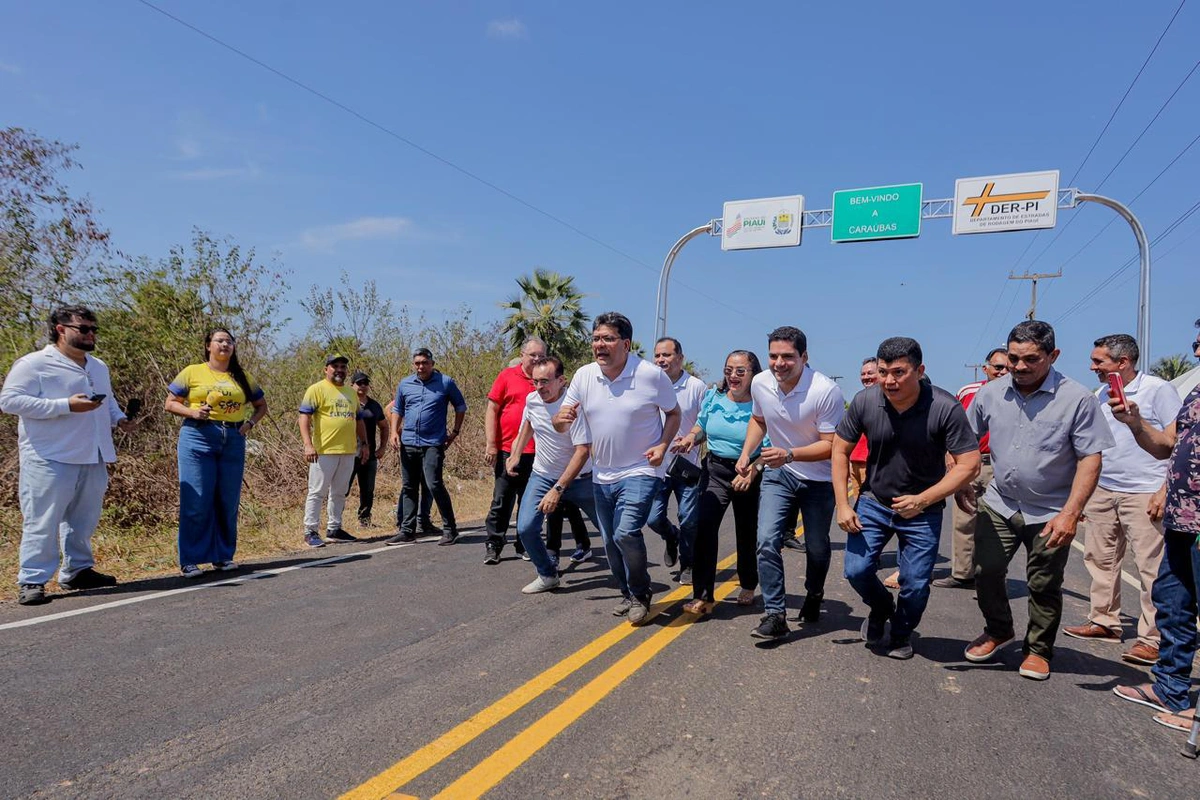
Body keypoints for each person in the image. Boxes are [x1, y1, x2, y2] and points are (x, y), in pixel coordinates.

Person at [962, 321, 1115, 681]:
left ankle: (1038, 649)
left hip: (1052, 511)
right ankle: (998, 630)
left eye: (1031, 359)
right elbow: (966, 439)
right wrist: (961, 480)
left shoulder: (1077, 398)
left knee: (1043, 583)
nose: (1019, 367)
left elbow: (1091, 458)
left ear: (1053, 356)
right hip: (1000, 502)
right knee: (985, 572)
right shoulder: (990, 393)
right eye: (1013, 358)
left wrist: (1071, 514)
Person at [833, 337, 980, 659]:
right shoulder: (865, 401)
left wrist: (924, 499)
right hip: (874, 501)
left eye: (899, 372)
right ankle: (882, 607)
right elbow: (840, 449)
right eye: (883, 372)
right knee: (856, 570)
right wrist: (844, 504)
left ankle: (901, 633)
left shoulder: (944, 407)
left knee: (914, 583)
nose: (889, 380)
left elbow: (969, 463)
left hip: (923, 510)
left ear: (920, 370)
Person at [2, 306, 135, 605]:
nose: (91, 334)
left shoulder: (98, 366)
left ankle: (77, 570)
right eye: (83, 329)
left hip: (93, 452)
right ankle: (32, 579)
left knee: (84, 519)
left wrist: (121, 419)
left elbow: (108, 401)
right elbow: (9, 401)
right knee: (42, 520)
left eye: (93, 329)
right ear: (61, 329)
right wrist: (65, 405)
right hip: (51, 454)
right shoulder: (34, 363)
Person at [553, 312, 680, 625]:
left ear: (626, 344)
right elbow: (559, 421)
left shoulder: (650, 375)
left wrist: (663, 446)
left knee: (626, 532)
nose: (600, 345)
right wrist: (560, 421)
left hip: (641, 469)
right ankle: (626, 592)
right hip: (603, 474)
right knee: (610, 540)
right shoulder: (584, 376)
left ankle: (640, 593)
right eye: (596, 338)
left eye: (607, 339)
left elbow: (674, 414)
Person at [1062, 335, 1179, 666]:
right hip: (1104, 488)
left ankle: (1152, 638)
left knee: (1151, 567)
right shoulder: (1100, 394)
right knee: (1100, 559)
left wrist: (1164, 489)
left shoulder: (1158, 390)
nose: (1092, 367)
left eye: (1099, 361)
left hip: (1145, 489)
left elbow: (1175, 442)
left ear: (1123, 362)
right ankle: (1104, 621)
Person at [1109, 359, 1200, 733]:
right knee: (1172, 604)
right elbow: (1166, 446)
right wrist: (1135, 423)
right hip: (1183, 519)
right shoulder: (1195, 393)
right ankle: (1170, 688)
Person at [737, 326, 845, 640]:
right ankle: (776, 615)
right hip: (779, 474)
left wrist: (789, 453)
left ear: (804, 357)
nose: (779, 363)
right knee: (767, 540)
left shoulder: (824, 391)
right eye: (773, 356)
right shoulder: (760, 383)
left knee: (817, 548)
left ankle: (814, 594)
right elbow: (759, 420)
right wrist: (747, 454)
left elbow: (831, 445)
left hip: (819, 479)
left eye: (787, 356)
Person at [164, 328, 268, 577]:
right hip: (199, 436)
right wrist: (192, 412)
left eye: (229, 341)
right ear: (208, 345)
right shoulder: (193, 372)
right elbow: (170, 403)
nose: (225, 345)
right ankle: (190, 559)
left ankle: (222, 555)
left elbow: (261, 405)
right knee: (197, 499)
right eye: (219, 341)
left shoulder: (242, 376)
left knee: (227, 499)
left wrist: (249, 424)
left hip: (232, 438)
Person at [673, 350, 765, 614]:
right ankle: (703, 596)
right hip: (715, 470)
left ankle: (748, 583)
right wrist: (691, 438)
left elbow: (768, 443)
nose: (733, 376)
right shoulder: (714, 397)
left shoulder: (761, 405)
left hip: (748, 472)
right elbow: (701, 426)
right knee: (704, 527)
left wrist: (753, 470)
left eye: (740, 371)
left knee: (746, 531)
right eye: (728, 370)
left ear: (753, 374)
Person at [509, 356, 598, 594]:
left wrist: (558, 489)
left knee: (613, 533)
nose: (540, 387)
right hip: (542, 475)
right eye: (535, 381)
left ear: (562, 381)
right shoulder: (533, 399)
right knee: (526, 528)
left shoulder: (573, 407)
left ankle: (632, 583)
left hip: (581, 479)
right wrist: (516, 454)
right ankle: (548, 574)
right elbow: (528, 423)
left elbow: (582, 452)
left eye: (545, 381)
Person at [932, 347, 1009, 590]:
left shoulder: (1018, 394)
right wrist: (949, 454)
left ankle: (989, 580)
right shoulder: (969, 392)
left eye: (1008, 367)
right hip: (970, 463)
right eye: (998, 367)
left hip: (1000, 465)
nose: (1003, 371)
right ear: (986, 368)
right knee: (964, 519)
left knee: (996, 524)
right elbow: (953, 426)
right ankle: (962, 573)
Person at [386, 348, 467, 546]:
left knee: (434, 484)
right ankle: (407, 530)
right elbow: (398, 409)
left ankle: (450, 529)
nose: (421, 367)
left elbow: (460, 407)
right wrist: (394, 432)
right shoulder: (405, 384)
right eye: (417, 363)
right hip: (409, 442)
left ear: (431, 363)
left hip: (433, 443)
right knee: (409, 486)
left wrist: (454, 433)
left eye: (424, 363)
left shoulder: (445, 382)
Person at [647, 336, 708, 584]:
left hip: (687, 467)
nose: (662, 360)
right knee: (652, 518)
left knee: (690, 519)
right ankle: (671, 536)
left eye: (667, 355)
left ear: (680, 358)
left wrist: (693, 439)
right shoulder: (649, 385)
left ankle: (688, 564)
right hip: (656, 466)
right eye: (658, 355)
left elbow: (706, 425)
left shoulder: (696, 387)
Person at [483, 338, 546, 564]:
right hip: (508, 450)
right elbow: (492, 409)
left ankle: (525, 544)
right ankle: (494, 544)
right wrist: (491, 444)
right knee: (502, 500)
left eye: (541, 355)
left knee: (528, 501)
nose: (537, 359)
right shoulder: (507, 376)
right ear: (522, 354)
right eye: (532, 355)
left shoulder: (546, 380)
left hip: (539, 453)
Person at [299, 355, 369, 547]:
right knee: (317, 491)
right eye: (335, 366)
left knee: (340, 492)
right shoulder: (316, 389)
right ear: (326, 369)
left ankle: (334, 528)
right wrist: (308, 444)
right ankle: (310, 531)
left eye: (343, 367)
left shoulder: (351, 393)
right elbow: (304, 417)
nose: (339, 370)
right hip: (323, 451)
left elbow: (359, 420)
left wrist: (364, 444)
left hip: (347, 451)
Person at [346, 371, 389, 528]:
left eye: (366, 383)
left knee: (368, 489)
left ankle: (364, 520)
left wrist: (382, 447)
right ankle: (335, 523)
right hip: (348, 453)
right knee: (343, 488)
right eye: (359, 383)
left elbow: (384, 427)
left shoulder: (374, 405)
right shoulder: (346, 402)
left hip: (369, 454)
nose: (363, 386)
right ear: (352, 385)